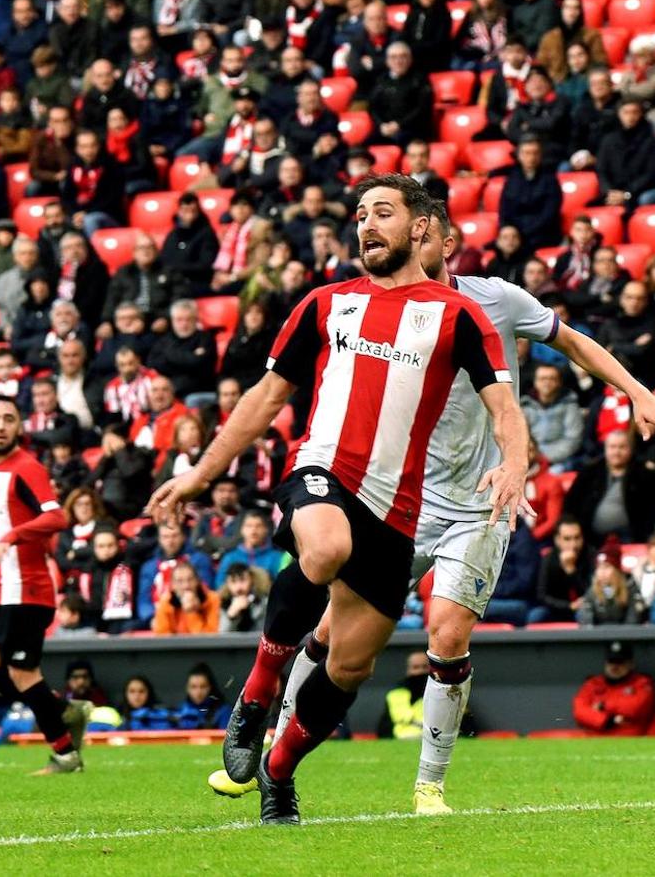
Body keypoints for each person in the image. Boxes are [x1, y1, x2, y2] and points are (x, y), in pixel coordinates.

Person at [250, 197, 655, 814]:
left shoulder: (495, 300)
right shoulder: (373, 306)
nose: (403, 244)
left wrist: (637, 391)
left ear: (442, 243)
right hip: (400, 499)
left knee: (446, 635)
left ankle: (429, 786)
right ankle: (270, 754)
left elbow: (574, 343)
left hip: (479, 500)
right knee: (328, 630)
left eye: (418, 233)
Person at [149, 175, 529, 826]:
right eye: (359, 214)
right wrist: (199, 475)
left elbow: (504, 408)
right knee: (323, 549)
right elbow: (264, 401)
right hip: (324, 471)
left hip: (399, 510)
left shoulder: (458, 315)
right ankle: (258, 693)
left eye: (382, 212)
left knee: (349, 668)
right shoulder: (326, 304)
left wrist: (516, 463)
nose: (366, 224)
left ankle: (277, 772)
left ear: (418, 227)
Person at [0, 396, 91, 775]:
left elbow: (57, 517)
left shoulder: (26, 468)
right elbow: (3, 532)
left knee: (22, 675)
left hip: (28, 590)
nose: (0, 426)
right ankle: (62, 709)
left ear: (20, 428)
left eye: (8, 419)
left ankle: (65, 754)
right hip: (1, 591)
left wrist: (11, 537)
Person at [572, 641, 655, 736]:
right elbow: (580, 711)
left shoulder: (642, 683)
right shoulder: (593, 683)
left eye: (620, 662)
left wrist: (602, 706)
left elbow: (633, 708)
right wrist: (607, 720)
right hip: (595, 737)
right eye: (611, 661)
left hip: (627, 738)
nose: (614, 666)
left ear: (631, 664)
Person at [151, 561, 220, 634]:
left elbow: (211, 637)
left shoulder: (212, 599)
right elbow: (162, 636)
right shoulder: (165, 602)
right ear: (172, 585)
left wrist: (192, 612)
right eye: (180, 581)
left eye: (190, 579)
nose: (186, 586)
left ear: (197, 581)